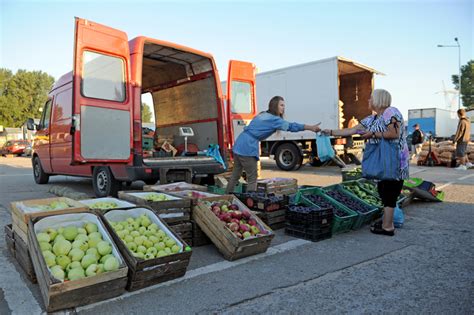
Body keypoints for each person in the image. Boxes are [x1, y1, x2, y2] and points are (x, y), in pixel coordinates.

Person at [323, 89, 409, 236]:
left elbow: (394, 133)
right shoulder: (373, 119)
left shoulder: (391, 112)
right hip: (383, 160)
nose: (368, 101)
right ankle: (386, 222)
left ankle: (388, 227)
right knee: (383, 189)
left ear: (379, 100)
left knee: (390, 191)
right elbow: (351, 130)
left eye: (371, 98)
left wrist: (373, 134)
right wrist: (329, 132)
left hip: (395, 161)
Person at [225, 96, 321, 193]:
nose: (283, 108)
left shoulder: (263, 114)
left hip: (240, 143)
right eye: (281, 105)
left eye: (284, 105)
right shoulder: (274, 120)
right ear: (275, 106)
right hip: (248, 147)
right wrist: (310, 127)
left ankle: (227, 195)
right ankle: (251, 202)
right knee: (252, 178)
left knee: (235, 175)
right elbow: (292, 126)